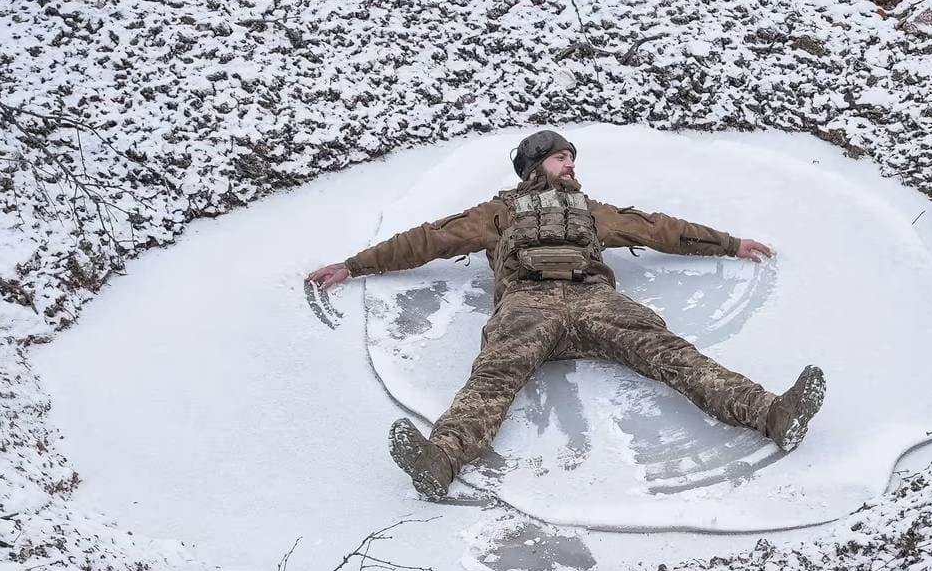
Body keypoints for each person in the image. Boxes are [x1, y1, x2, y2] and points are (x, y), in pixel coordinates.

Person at [306, 130, 826, 501]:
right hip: (527, 306)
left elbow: (656, 228)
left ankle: (774, 415)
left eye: (572, 158)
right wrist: (353, 265)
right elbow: (427, 240)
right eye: (560, 158)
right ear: (535, 166)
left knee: (675, 357)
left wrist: (729, 243)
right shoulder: (498, 213)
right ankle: (440, 461)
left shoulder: (592, 212)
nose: (570, 164)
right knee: (493, 379)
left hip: (595, 301)